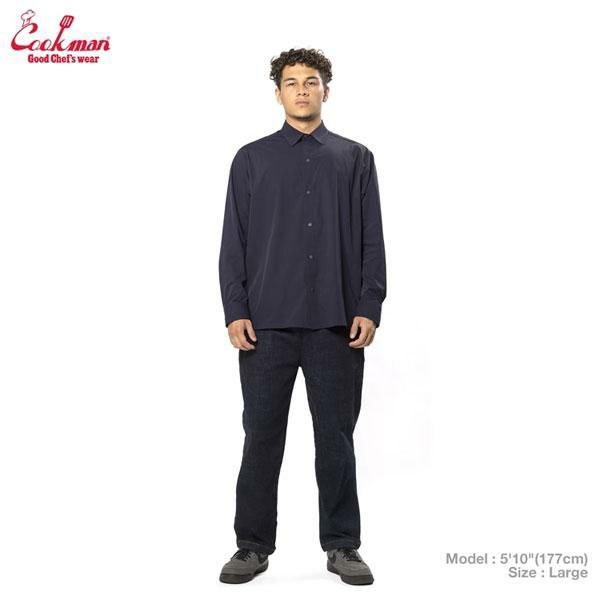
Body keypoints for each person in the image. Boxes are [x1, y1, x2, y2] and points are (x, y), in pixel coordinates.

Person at [218, 47, 386, 586]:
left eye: (311, 81)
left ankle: (342, 545)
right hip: (265, 325)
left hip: (337, 323)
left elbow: (372, 239)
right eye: (291, 82)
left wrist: (369, 304)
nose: (302, 90)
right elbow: (233, 240)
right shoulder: (251, 159)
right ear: (278, 93)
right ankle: (251, 546)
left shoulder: (355, 158)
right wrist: (235, 309)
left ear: (325, 90)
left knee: (336, 440)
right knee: (260, 437)